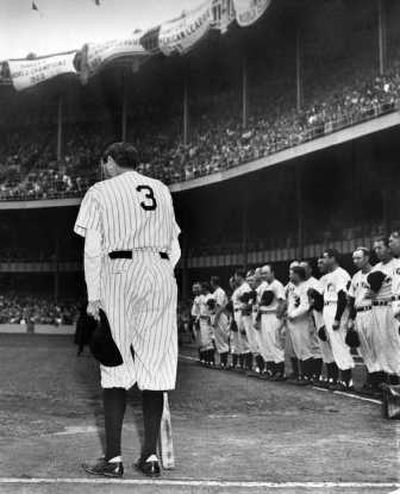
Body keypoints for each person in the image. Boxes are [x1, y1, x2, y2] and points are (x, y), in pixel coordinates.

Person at [74, 142, 181, 478]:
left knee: (115, 365)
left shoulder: (100, 190)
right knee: (156, 368)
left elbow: (92, 250)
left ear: (110, 161)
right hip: (162, 272)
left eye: (103, 162)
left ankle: (114, 459)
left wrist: (94, 297)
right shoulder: (162, 189)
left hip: (119, 270)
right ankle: (150, 458)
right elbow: (176, 247)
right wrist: (158, 273)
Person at [347, 247, 381, 395]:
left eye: (358, 258)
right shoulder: (355, 277)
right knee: (365, 350)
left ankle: (378, 384)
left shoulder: (377, 273)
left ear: (367, 258)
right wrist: (351, 318)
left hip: (373, 312)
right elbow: (351, 299)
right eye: (354, 258)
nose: (355, 261)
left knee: (376, 349)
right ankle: (371, 382)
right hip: (359, 314)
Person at [320, 249, 354, 391]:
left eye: (325, 258)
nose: (323, 260)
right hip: (328, 308)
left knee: (341, 344)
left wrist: (337, 318)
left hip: (336, 309)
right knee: (335, 345)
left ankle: (347, 381)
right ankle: (342, 379)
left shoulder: (341, 274)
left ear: (333, 258)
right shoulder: (330, 276)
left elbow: (342, 297)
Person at [369, 237, 400, 385]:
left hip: (391, 307)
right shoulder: (376, 268)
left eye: (380, 247)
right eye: (375, 248)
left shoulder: (397, 264)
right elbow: (369, 294)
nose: (377, 251)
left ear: (388, 248)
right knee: (381, 345)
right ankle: (388, 380)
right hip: (376, 308)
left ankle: (396, 379)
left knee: (394, 343)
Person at [257, 264, 286, 380]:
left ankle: (280, 372)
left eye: (266, 273)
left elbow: (283, 302)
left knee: (275, 343)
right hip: (264, 316)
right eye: (262, 273)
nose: (264, 275)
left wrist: (279, 316)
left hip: (273, 315)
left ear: (272, 273)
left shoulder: (277, 285)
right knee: (267, 344)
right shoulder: (264, 286)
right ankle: (271, 370)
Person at [231, 269, 251, 369]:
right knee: (239, 340)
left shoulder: (245, 287)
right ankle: (243, 365)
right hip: (236, 313)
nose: (235, 279)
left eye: (235, 276)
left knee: (244, 339)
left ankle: (248, 365)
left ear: (239, 276)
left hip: (242, 313)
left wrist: (242, 320)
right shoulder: (239, 288)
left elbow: (246, 303)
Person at [210, 276, 230, 369]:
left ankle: (224, 363)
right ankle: (222, 362)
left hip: (220, 316)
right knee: (218, 339)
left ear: (213, 282)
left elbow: (220, 307)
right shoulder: (216, 292)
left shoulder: (220, 292)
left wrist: (216, 319)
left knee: (221, 339)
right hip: (216, 315)